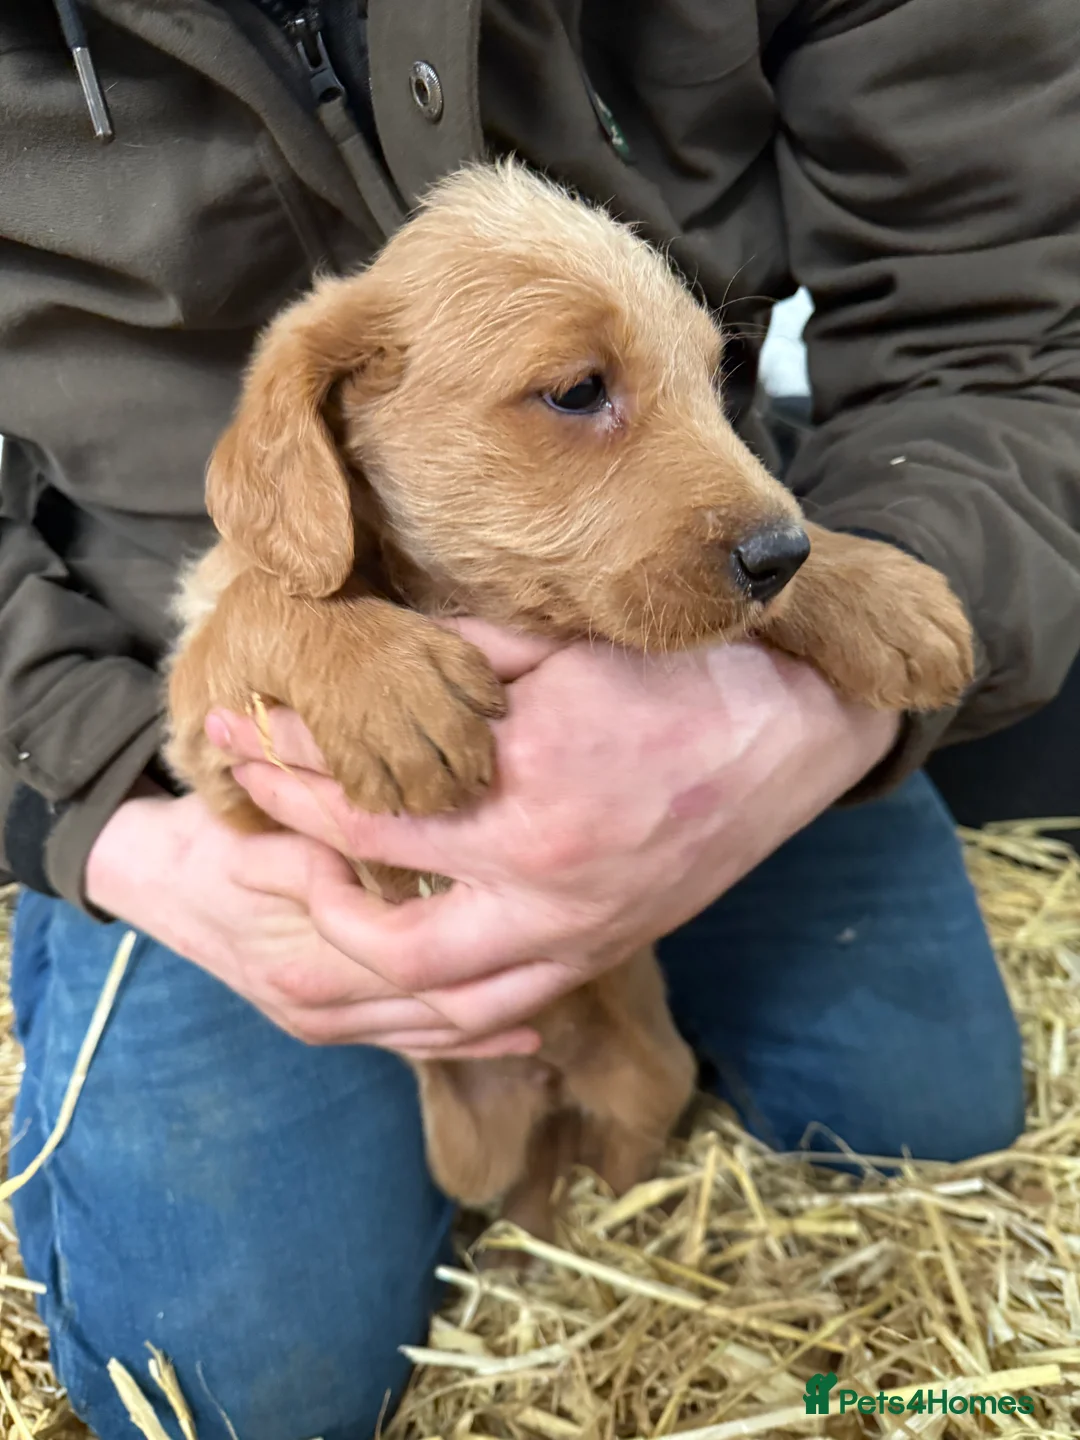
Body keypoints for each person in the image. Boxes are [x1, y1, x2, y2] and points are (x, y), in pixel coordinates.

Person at [1, 3, 1077, 1437]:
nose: (733, 488)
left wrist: (813, 706)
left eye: (703, 377)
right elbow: (235, 643)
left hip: (693, 648)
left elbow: (1003, 305)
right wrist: (96, 809)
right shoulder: (312, 448)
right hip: (122, 671)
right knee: (238, 1385)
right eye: (580, 392)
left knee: (929, 1121)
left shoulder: (717, 499)